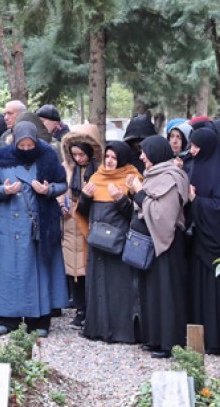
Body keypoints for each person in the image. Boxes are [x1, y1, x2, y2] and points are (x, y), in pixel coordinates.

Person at [0, 121, 68, 337]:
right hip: (9, 223)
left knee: (38, 271)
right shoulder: (2, 157)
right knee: (8, 271)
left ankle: (38, 320)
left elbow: (62, 184)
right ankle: (6, 317)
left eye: (30, 146)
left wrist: (48, 189)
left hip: (39, 223)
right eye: (22, 146)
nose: (26, 150)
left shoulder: (48, 155)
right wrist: (3, 189)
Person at [126, 136, 190, 358]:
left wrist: (140, 193)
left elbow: (164, 215)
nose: (142, 156)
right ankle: (154, 338)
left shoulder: (171, 177)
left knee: (166, 293)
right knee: (151, 292)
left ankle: (169, 342)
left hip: (167, 244)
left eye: (145, 152)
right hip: (151, 243)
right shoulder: (154, 176)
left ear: (157, 153)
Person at [79, 141, 142, 343]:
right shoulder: (96, 178)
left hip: (119, 243)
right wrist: (85, 197)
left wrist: (121, 199)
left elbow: (139, 214)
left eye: (114, 158)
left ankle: (121, 332)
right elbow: (82, 212)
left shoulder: (132, 178)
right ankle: (97, 329)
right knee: (97, 286)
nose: (109, 161)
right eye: (107, 157)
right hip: (98, 243)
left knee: (120, 288)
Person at [186, 128, 220, 354]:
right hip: (200, 242)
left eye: (196, 145)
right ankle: (202, 338)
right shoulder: (196, 166)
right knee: (201, 291)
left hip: (217, 242)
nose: (192, 150)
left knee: (218, 292)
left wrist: (196, 200)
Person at [59, 124, 102, 329]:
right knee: (74, 270)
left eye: (81, 154)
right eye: (74, 154)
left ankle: (92, 308)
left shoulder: (99, 171)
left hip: (90, 223)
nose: (78, 159)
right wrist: (61, 206)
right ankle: (79, 308)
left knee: (89, 268)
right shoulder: (67, 170)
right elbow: (61, 192)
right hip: (70, 224)